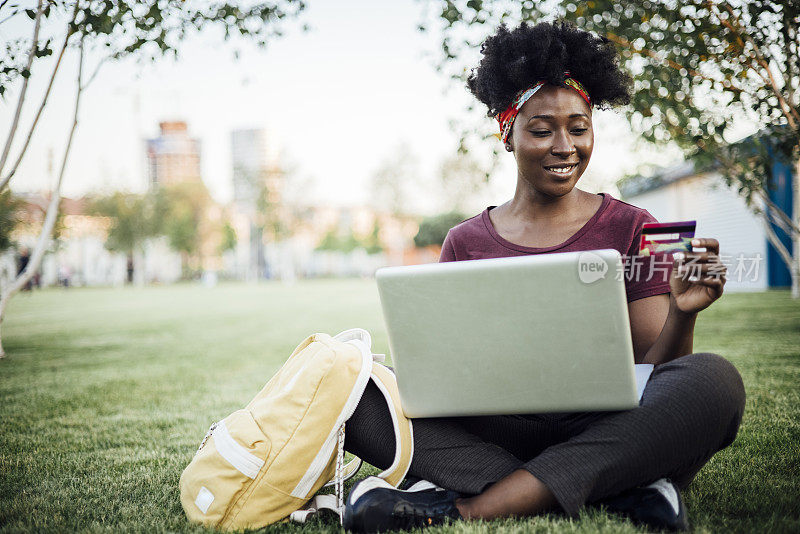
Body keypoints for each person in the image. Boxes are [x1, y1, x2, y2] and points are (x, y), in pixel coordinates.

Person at [342, 21, 745, 533]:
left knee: (713, 382)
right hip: (496, 434)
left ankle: (473, 506)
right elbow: (442, 378)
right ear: (507, 135)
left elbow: (657, 374)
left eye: (579, 128)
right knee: (357, 398)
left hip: (607, 424)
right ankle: (623, 491)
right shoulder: (464, 242)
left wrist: (682, 316)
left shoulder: (635, 227)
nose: (565, 146)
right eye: (541, 130)